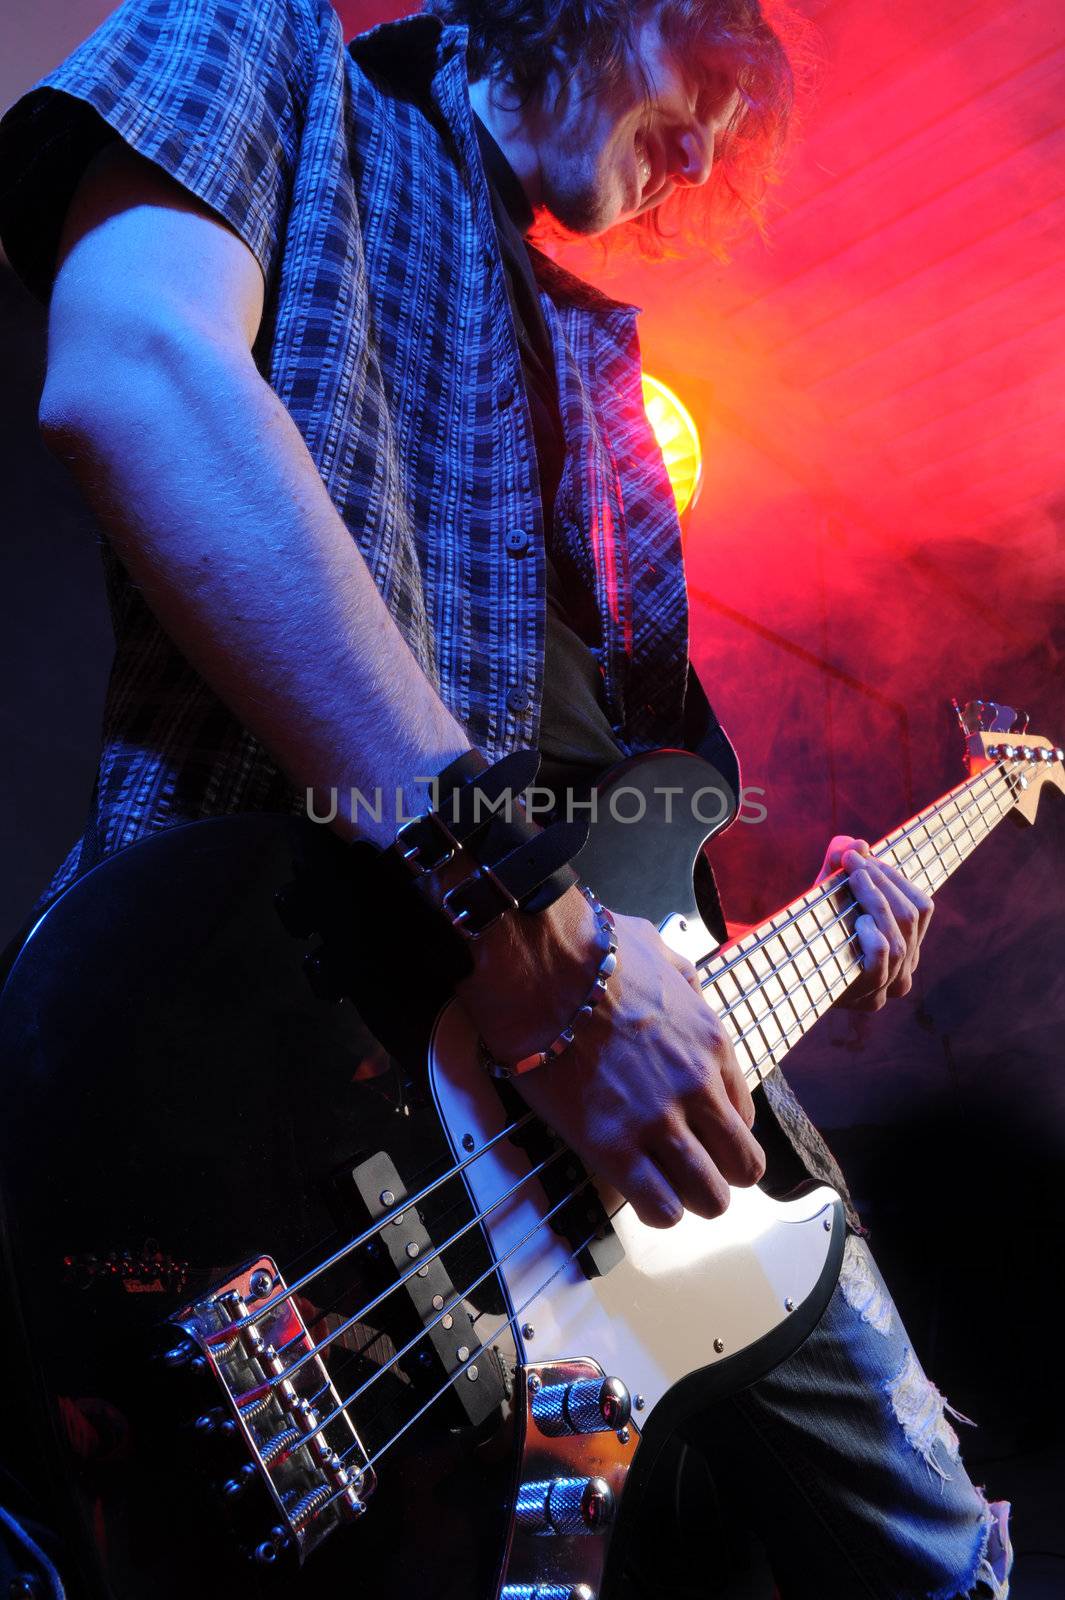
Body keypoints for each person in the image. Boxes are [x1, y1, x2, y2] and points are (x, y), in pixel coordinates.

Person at [0, 0, 1011, 1594]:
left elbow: (617, 832)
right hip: (282, 1053)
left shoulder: (611, 389)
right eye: (695, 82)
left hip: (581, 1133)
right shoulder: (263, 45)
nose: (703, 152)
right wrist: (523, 922)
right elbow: (135, 374)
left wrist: (776, 935)